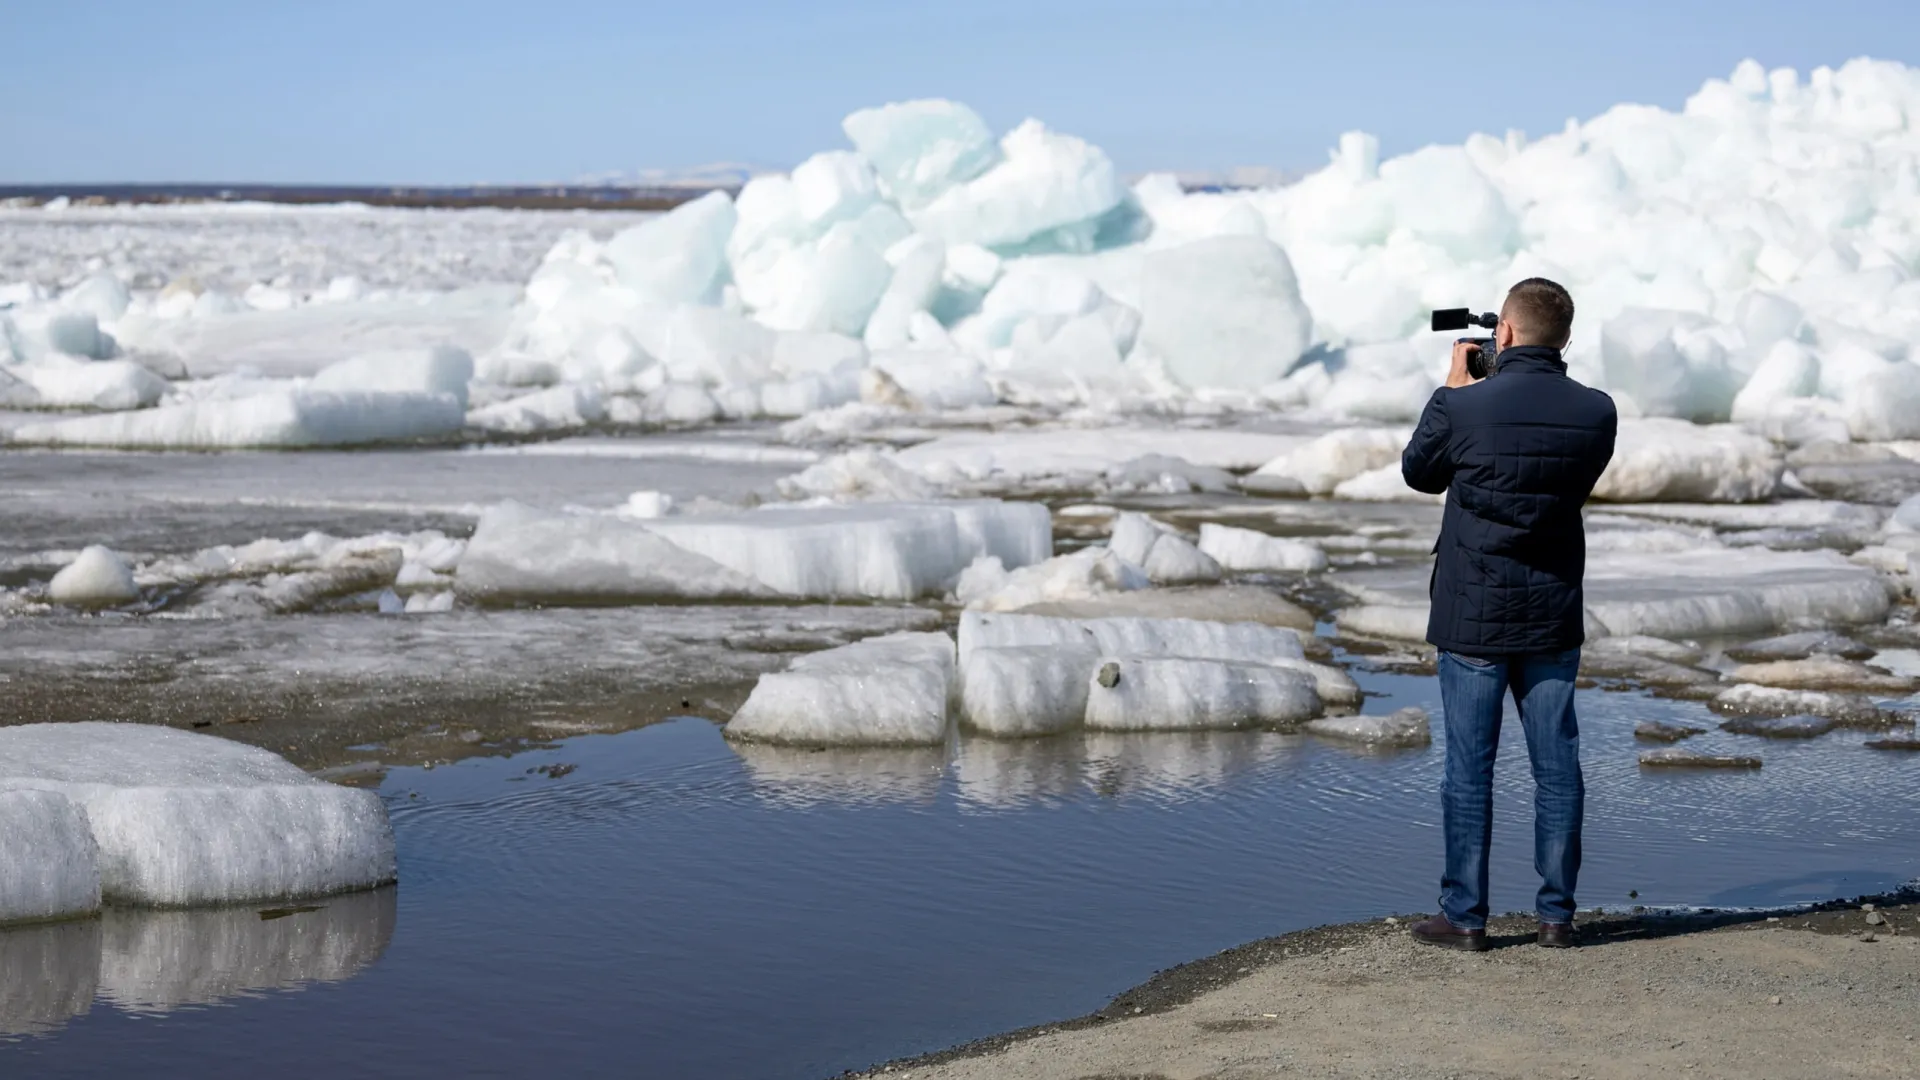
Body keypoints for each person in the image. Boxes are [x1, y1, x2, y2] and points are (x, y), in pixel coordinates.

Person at [1399, 277, 1618, 952]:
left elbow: (1419, 471)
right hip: (1551, 611)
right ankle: (1557, 916)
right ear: (1566, 339)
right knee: (1558, 767)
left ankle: (1464, 918)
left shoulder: (1464, 408)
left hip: (1473, 614)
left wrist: (1454, 394)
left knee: (1469, 770)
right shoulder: (1597, 412)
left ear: (1506, 334)